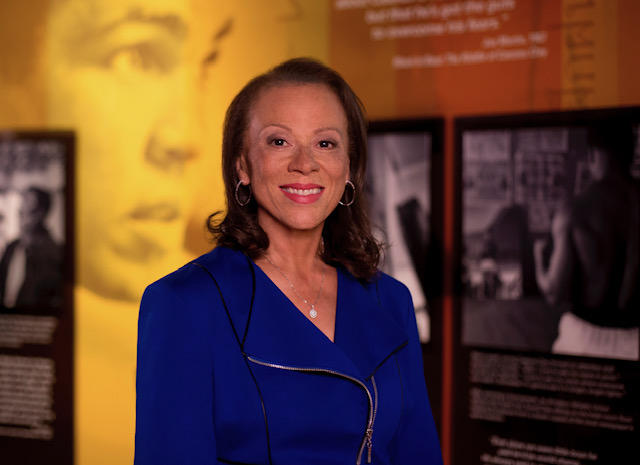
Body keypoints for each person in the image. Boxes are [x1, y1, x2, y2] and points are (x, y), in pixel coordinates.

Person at [135, 58, 443, 464]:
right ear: (241, 164)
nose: (304, 163)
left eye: (325, 143)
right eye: (279, 141)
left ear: (348, 166)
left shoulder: (391, 300)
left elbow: (417, 453)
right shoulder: (185, 304)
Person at [534, 122, 639, 360]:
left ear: (593, 155)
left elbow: (553, 293)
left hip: (584, 341)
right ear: (632, 153)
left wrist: (538, 256)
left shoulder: (574, 210)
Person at [0, 187, 63, 309]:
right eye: (22, 203)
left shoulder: (54, 254)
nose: (21, 210)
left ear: (40, 213)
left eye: (28, 205)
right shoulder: (12, 247)